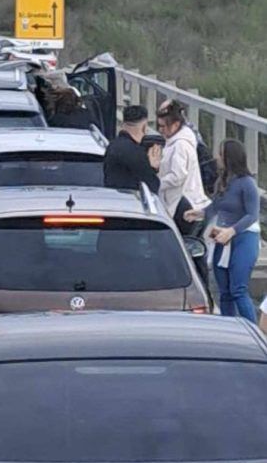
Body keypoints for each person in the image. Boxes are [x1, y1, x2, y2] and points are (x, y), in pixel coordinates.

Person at [185, 139, 261, 323]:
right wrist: (201, 213)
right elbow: (217, 205)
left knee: (238, 289)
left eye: (220, 154)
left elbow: (252, 214)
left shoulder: (247, 183)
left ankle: (252, 329)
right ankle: (229, 327)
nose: (217, 158)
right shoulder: (223, 181)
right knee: (224, 290)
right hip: (222, 235)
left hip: (243, 237)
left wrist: (232, 231)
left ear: (229, 157)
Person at [155, 100, 211, 230]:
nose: (160, 130)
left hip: (182, 205)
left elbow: (177, 176)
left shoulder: (180, 145)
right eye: (159, 126)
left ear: (176, 124)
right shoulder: (177, 141)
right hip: (180, 202)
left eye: (163, 126)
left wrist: (156, 182)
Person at [103, 105, 161, 193]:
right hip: (131, 202)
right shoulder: (137, 153)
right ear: (144, 127)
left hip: (112, 199)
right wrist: (153, 168)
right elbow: (152, 187)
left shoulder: (112, 146)